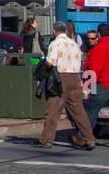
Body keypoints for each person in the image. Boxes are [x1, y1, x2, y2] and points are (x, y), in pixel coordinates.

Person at [39, 21, 96, 150]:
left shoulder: (55, 43)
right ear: (65, 31)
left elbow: (51, 62)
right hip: (75, 78)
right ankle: (89, 138)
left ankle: (46, 139)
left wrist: (44, 65)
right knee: (78, 111)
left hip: (60, 78)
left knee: (53, 110)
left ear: (54, 31)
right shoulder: (74, 44)